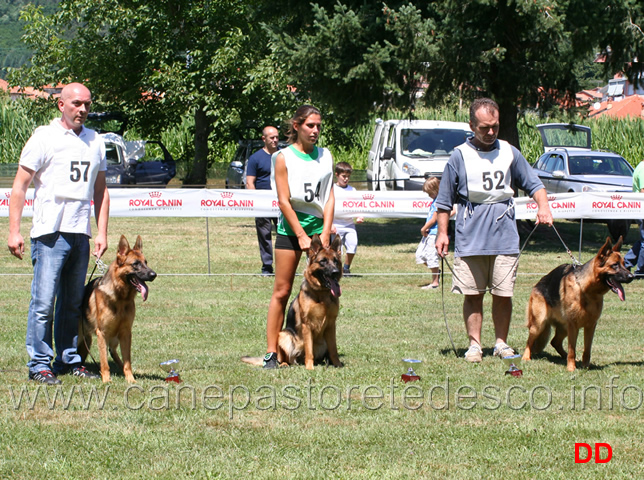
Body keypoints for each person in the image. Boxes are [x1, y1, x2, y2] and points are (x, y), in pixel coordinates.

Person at [434, 97, 553, 363]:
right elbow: (443, 202)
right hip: (470, 236)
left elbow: (535, 184)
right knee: (473, 294)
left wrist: (543, 207)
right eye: (484, 127)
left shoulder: (510, 152)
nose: (490, 133)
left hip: (505, 235)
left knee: (503, 294)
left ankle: (501, 343)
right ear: (471, 125)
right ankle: (474, 345)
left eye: (495, 127)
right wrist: (443, 234)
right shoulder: (459, 156)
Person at [7, 82, 110, 384]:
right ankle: (39, 363)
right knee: (43, 302)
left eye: (88, 104)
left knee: (72, 302)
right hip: (49, 233)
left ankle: (68, 358)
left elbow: (101, 191)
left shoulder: (96, 141)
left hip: (81, 232)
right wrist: (14, 231)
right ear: (61, 105)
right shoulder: (44, 137)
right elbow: (20, 186)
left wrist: (101, 232)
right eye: (77, 103)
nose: (83, 109)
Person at [263, 105, 335, 369]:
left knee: (326, 293)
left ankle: (319, 349)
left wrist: (325, 230)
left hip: (319, 232)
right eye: (310, 126)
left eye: (318, 126)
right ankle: (272, 353)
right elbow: (283, 201)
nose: (315, 131)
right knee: (281, 292)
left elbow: (329, 196)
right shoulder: (283, 157)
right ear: (296, 126)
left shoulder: (326, 155)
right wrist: (302, 235)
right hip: (291, 232)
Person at [247, 126, 280, 276]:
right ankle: (267, 267)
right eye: (271, 137)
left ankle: (283, 266)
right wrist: (256, 203)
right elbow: (250, 182)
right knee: (264, 235)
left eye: (277, 137)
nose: (275, 140)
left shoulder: (283, 156)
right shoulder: (255, 158)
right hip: (263, 203)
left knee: (284, 235)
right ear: (264, 139)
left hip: (281, 203)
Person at [332, 161, 363, 275]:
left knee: (353, 245)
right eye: (343, 176)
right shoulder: (332, 189)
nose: (346, 179)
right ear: (337, 175)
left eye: (348, 177)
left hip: (349, 224)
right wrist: (330, 224)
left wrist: (359, 215)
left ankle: (346, 268)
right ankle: (336, 269)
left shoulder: (352, 190)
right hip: (335, 224)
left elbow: (357, 205)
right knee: (337, 250)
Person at [416, 176, 442, 289]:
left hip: (434, 232)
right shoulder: (434, 201)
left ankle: (435, 283)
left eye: (430, 193)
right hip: (429, 231)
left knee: (431, 256)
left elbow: (434, 219)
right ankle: (437, 271)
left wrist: (423, 228)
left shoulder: (440, 201)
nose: (429, 196)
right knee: (420, 255)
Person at [623, 159, 644, 276]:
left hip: (640, 209)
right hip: (642, 209)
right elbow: (643, 191)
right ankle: (641, 271)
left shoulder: (640, 166)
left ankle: (627, 262)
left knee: (642, 240)